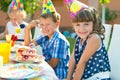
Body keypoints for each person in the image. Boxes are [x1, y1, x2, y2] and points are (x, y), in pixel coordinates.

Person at [67, 7, 111, 80]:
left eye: (86, 24)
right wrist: (68, 78)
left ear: (93, 24)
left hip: (97, 77)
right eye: (78, 24)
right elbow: (73, 59)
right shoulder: (79, 39)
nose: (82, 29)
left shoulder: (94, 38)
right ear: (73, 25)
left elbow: (82, 62)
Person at [24, 12, 70, 79]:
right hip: (47, 71)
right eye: (42, 24)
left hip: (57, 76)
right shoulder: (44, 36)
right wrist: (28, 28)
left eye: (48, 24)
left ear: (57, 24)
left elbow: (53, 64)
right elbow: (28, 45)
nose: (44, 28)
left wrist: (37, 68)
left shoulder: (60, 40)